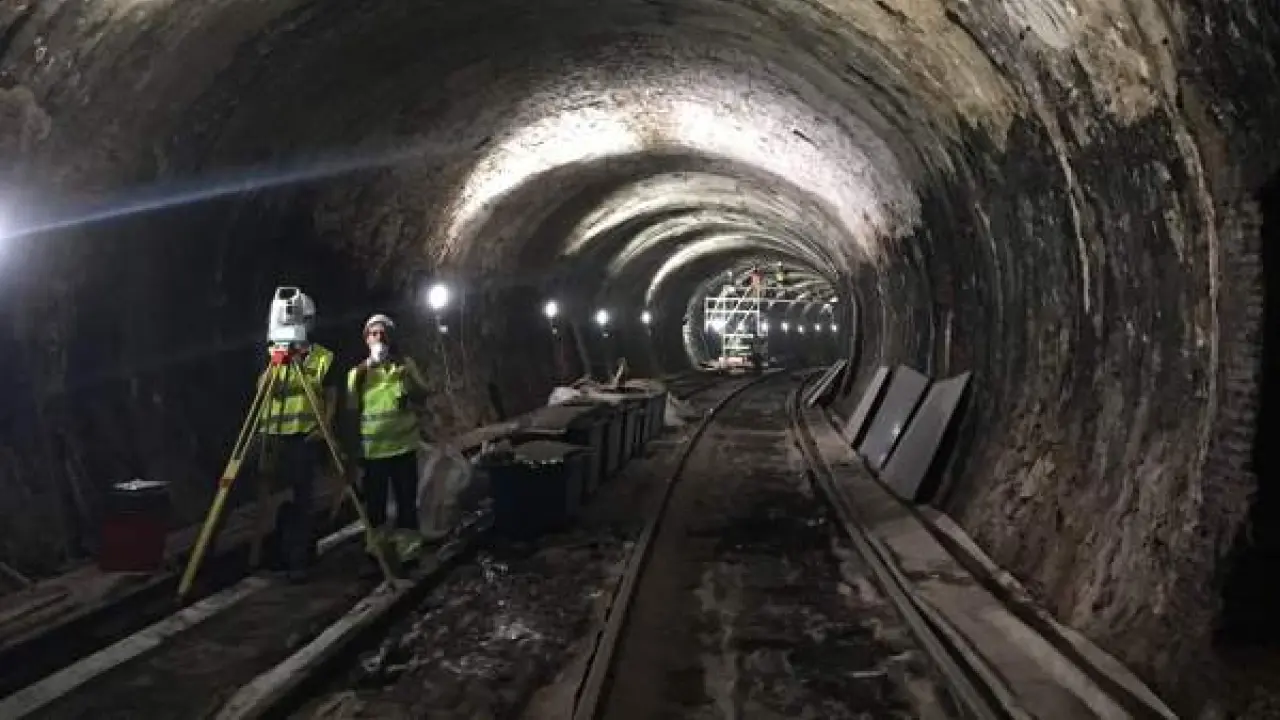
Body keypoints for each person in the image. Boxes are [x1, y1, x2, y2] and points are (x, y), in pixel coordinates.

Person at [257, 292, 339, 582]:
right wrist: (277, 361)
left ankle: (299, 559)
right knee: (267, 496)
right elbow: (261, 390)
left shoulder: (322, 358)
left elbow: (331, 396)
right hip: (274, 436)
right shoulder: (274, 356)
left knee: (304, 498)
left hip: (305, 438)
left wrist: (324, 427)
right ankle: (269, 554)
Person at [347, 313, 430, 574]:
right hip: (374, 454)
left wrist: (407, 378)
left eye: (383, 333)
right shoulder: (358, 374)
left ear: (391, 338)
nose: (379, 338)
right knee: (375, 509)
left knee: (407, 504)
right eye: (373, 333)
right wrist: (351, 453)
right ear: (366, 339)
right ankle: (377, 555)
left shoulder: (405, 365)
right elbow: (351, 412)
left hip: (404, 448)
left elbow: (423, 395)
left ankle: (409, 554)